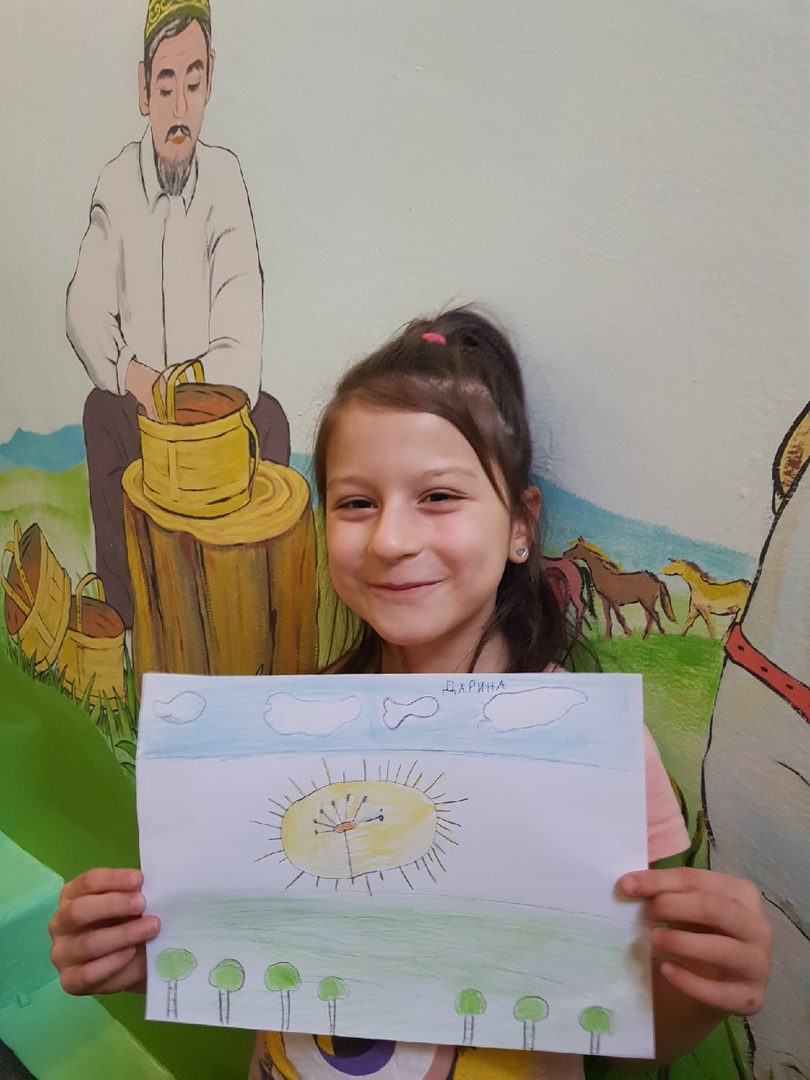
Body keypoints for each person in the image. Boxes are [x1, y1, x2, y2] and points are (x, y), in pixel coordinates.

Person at [49, 308, 771, 1079]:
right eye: (357, 503)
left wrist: (707, 984)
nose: (391, 539)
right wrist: (140, 956)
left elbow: (629, 1031)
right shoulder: (290, 731)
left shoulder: (595, 756)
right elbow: (246, 958)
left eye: (438, 497)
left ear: (520, 526)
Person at [66, 0, 289, 627]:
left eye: (193, 82)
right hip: (141, 411)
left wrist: (188, 392)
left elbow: (242, 331)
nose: (180, 106)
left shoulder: (226, 179)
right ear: (143, 89)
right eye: (166, 86)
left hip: (208, 417)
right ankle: (126, 623)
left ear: (211, 78)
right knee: (99, 412)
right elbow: (83, 309)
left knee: (270, 421)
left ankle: (249, 623)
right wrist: (136, 378)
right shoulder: (116, 183)